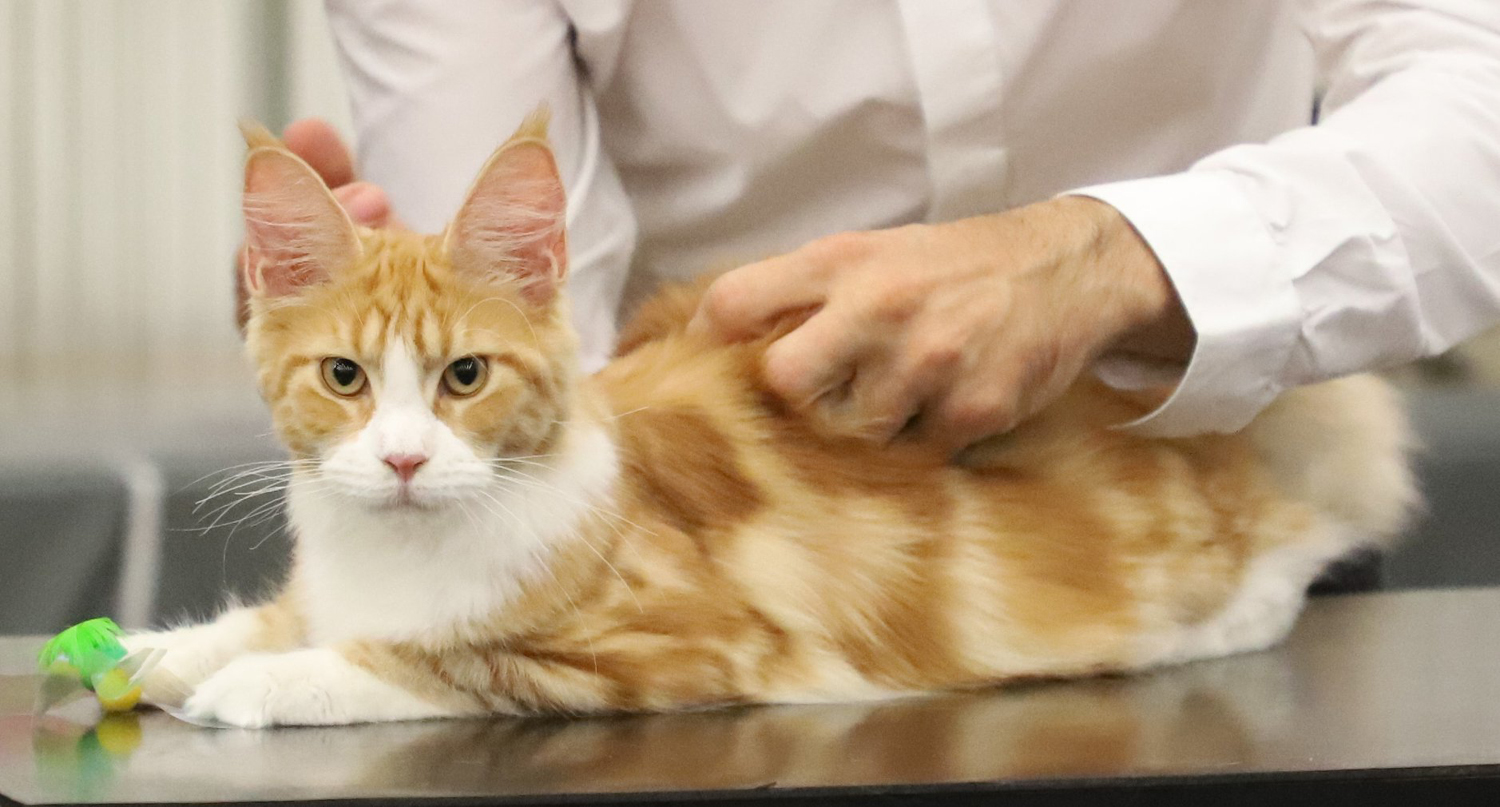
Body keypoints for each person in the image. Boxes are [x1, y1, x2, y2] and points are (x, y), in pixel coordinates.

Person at [265, 1, 1500, 457]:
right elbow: (529, 405)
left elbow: (1478, 91)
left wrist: (1113, 258)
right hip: (735, 585)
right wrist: (361, 330)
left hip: (1221, 524)